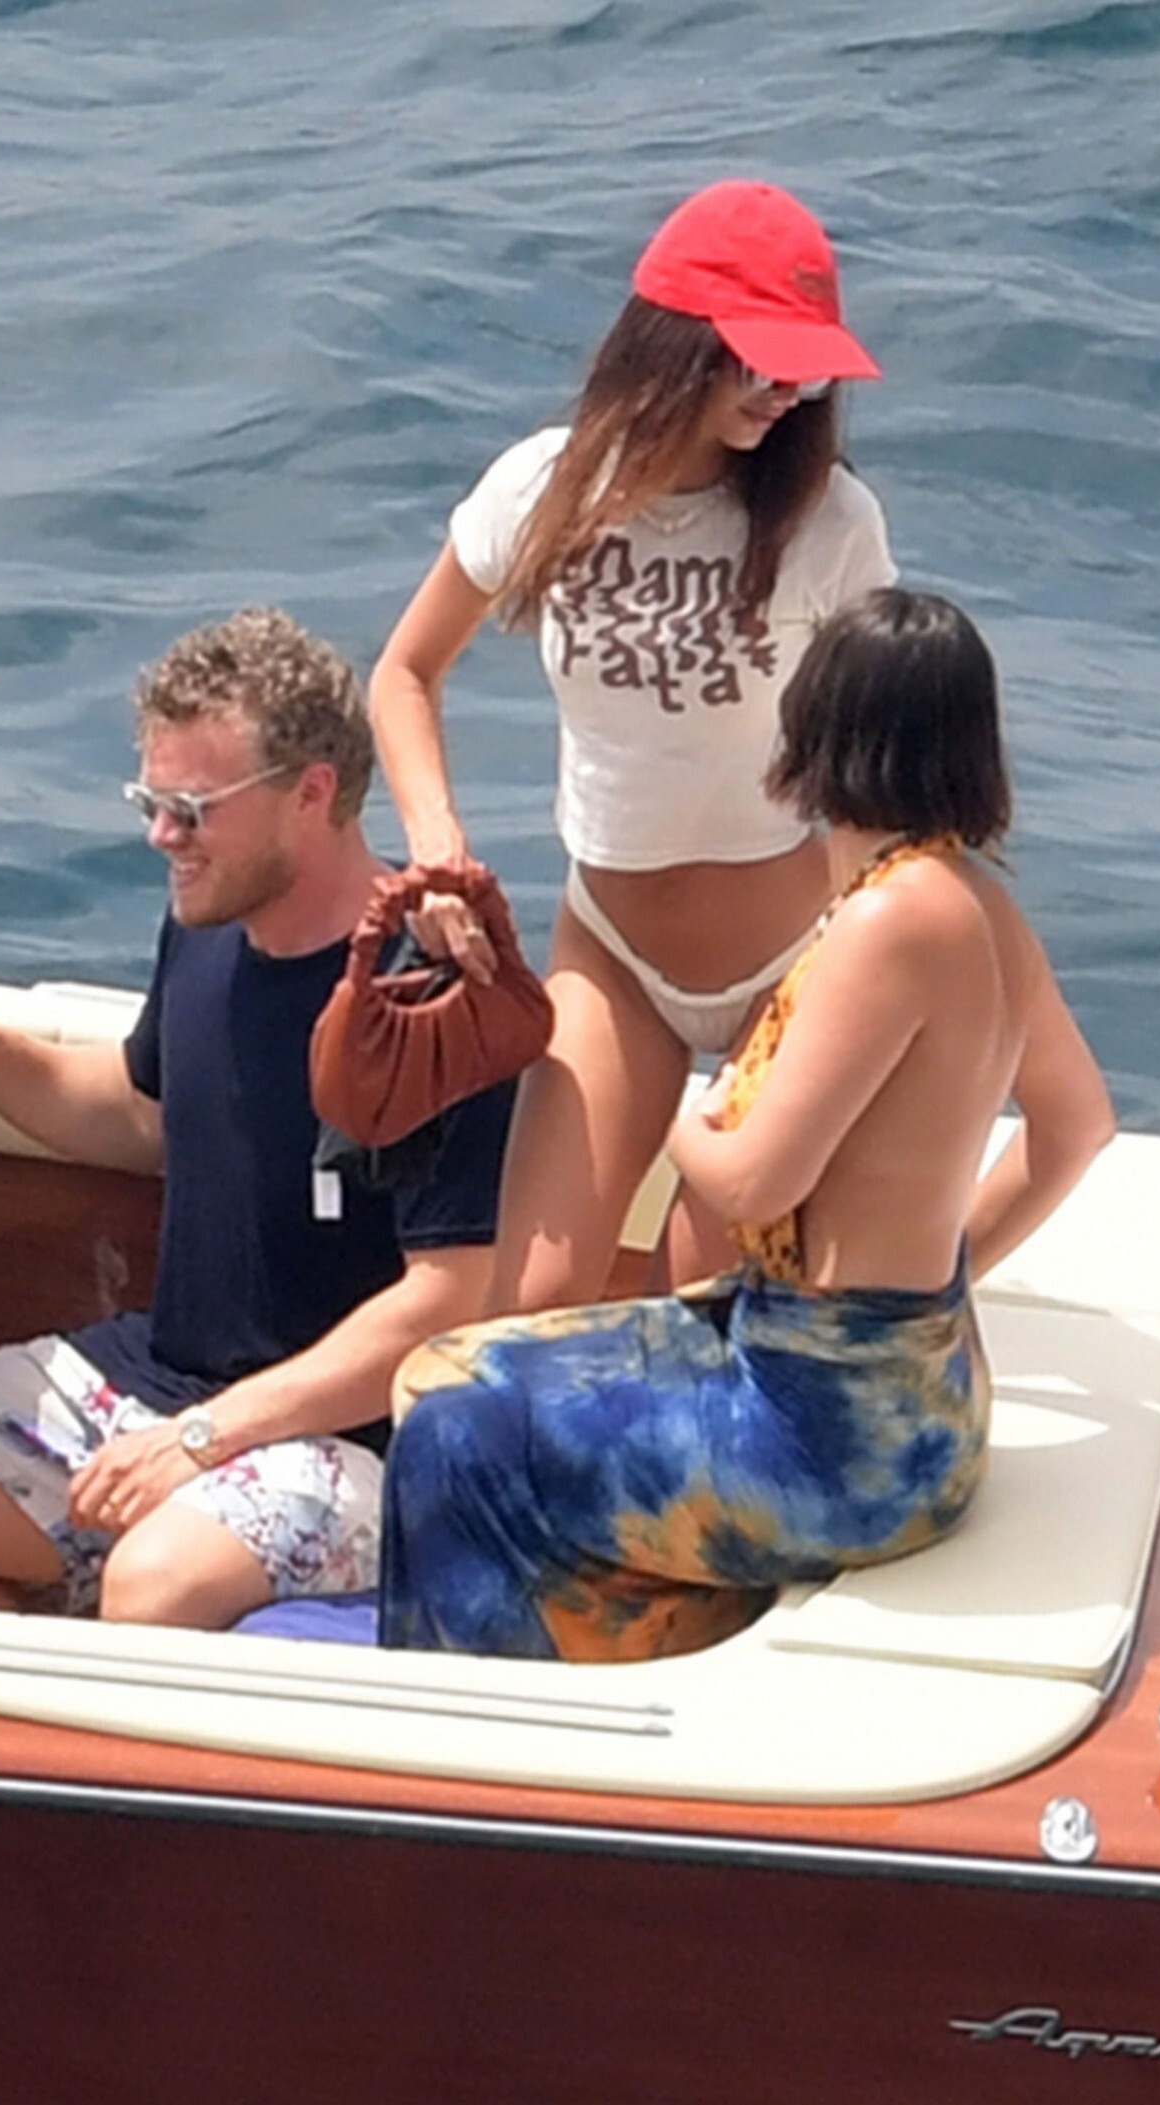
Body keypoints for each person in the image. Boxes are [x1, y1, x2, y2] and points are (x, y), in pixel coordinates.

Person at [376, 589, 1116, 1663]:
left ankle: (483, 1717)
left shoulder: (885, 921)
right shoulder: (984, 905)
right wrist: (931, 1277)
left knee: (450, 1419)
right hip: (924, 1399)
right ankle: (596, 1653)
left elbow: (754, 1183)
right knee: (475, 1367)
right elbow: (1078, 1125)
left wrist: (690, 1113)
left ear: (820, 727)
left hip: (824, 1436)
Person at [0, 608, 513, 1630]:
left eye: (190, 809)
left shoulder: (431, 994)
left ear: (310, 793)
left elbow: (447, 1301)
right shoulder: (206, 927)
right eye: (152, 802)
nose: (160, 837)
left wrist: (207, 1437)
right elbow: (140, 1115)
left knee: (156, 1584)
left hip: (357, 1440)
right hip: (164, 1378)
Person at [370, 178, 895, 1314]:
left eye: (804, 371)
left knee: (700, 1305)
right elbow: (404, 673)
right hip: (611, 952)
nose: (784, 392)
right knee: (530, 1304)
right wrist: (438, 853)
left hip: (791, 964)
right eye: (758, 361)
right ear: (674, 342)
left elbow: (881, 755)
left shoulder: (831, 522)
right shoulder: (543, 487)